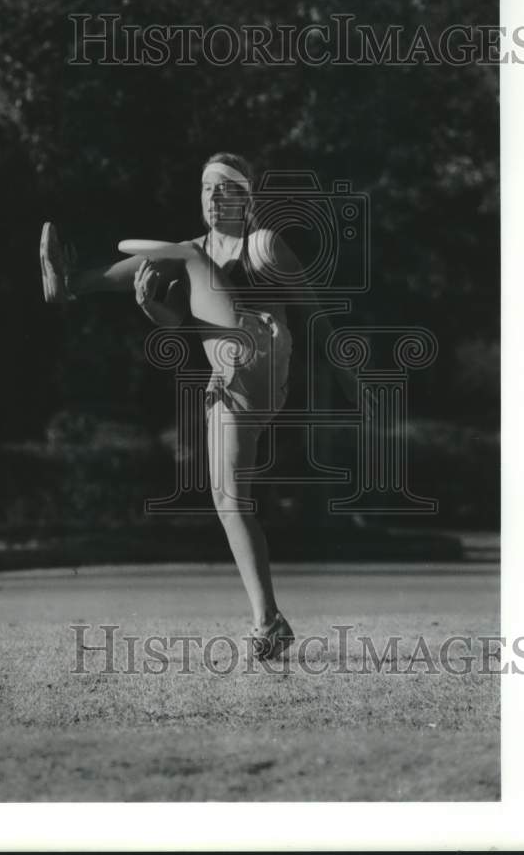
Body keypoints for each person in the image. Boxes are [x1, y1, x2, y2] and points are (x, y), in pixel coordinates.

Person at [40, 152, 341, 660]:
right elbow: (177, 321)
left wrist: (353, 376)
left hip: (263, 360)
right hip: (228, 379)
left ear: (247, 197)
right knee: (228, 501)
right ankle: (270, 622)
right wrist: (149, 305)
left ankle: (73, 283)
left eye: (224, 188)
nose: (213, 197)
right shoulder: (193, 257)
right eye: (206, 188)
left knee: (187, 255)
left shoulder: (264, 244)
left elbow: (316, 312)